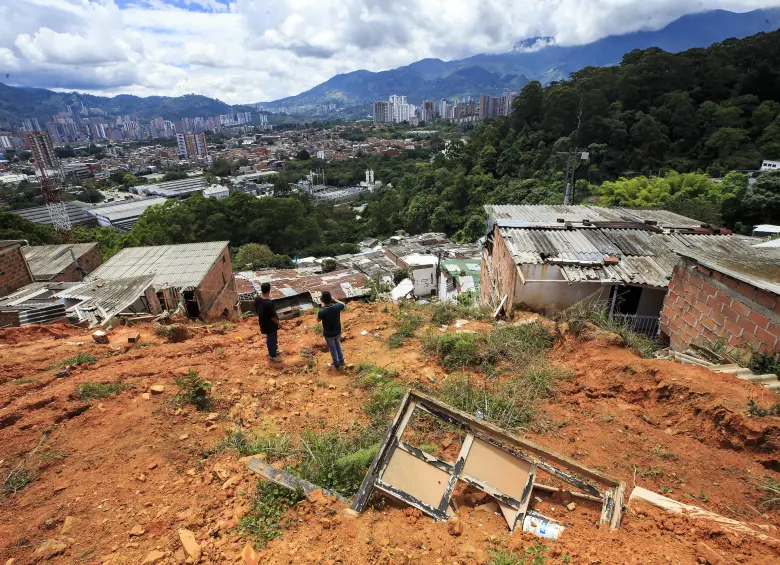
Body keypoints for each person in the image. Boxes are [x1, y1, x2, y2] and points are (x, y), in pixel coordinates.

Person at [254, 282, 282, 362]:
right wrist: (279, 324)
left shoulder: (257, 298)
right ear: (269, 290)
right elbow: (272, 317)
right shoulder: (268, 303)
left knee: (273, 337)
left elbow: (256, 306)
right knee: (271, 339)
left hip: (263, 321)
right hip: (270, 324)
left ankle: (275, 350)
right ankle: (272, 355)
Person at [317, 291, 345, 368]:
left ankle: (336, 364)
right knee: (337, 344)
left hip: (328, 334)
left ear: (322, 300)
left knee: (332, 348)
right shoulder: (337, 307)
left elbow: (318, 320)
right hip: (338, 332)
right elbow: (343, 304)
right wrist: (334, 299)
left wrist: (323, 307)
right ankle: (341, 360)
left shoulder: (322, 311)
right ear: (330, 298)